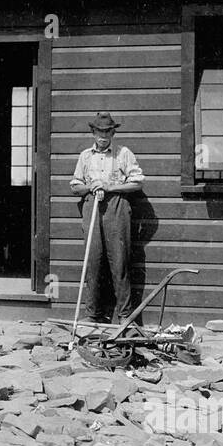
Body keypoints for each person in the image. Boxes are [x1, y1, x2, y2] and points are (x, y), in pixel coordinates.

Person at [68, 111, 144, 324]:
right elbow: (75, 186)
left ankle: (125, 316)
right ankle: (92, 314)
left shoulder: (123, 153)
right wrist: (91, 187)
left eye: (108, 131)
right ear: (93, 132)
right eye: (99, 131)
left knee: (119, 262)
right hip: (92, 207)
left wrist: (109, 186)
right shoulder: (85, 156)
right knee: (93, 262)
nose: (103, 135)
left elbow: (137, 182)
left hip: (116, 207)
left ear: (113, 132)